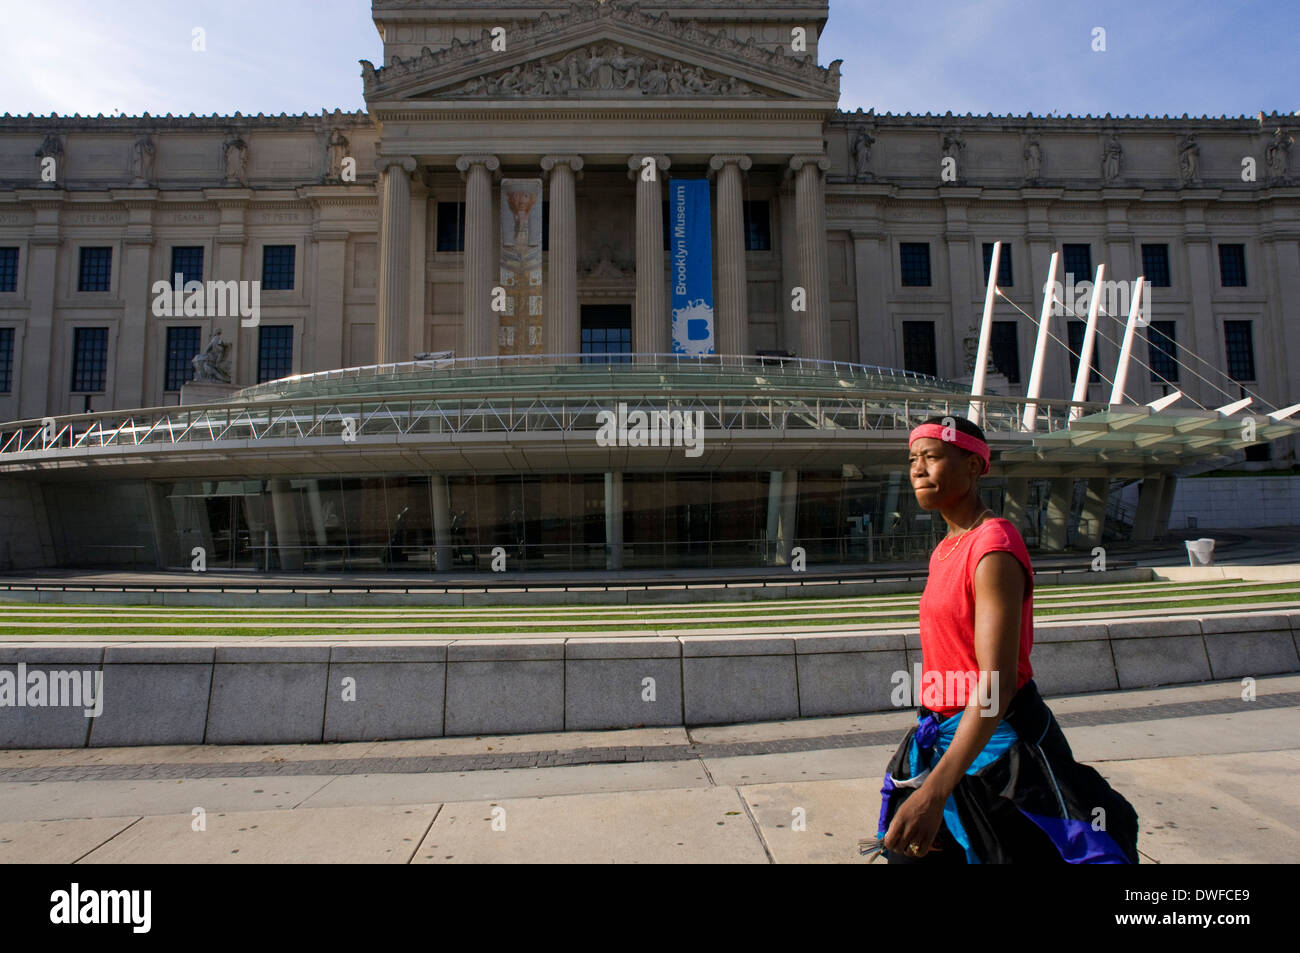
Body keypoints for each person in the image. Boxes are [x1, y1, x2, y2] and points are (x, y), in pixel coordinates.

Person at [874, 415, 1139, 863]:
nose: (918, 469)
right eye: (913, 459)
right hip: (946, 737)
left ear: (975, 467)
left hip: (999, 749)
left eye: (933, 457)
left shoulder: (993, 546)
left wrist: (934, 792)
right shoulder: (947, 547)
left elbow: (995, 686)